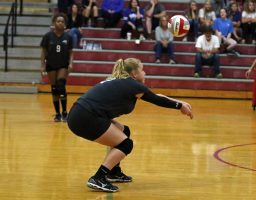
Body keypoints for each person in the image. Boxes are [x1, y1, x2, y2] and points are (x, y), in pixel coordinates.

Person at [67, 58, 193, 192]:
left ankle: (113, 172)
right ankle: (98, 177)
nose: (145, 73)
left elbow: (155, 96)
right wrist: (179, 106)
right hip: (86, 117)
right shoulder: (133, 85)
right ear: (134, 73)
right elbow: (157, 100)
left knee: (124, 131)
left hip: (80, 114)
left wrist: (180, 103)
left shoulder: (123, 83)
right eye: (142, 70)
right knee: (126, 144)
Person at [40, 13, 73, 122]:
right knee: (54, 89)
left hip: (63, 65)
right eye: (58, 21)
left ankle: (65, 112)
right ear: (54, 23)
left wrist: (71, 63)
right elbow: (44, 52)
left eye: (62, 21)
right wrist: (42, 66)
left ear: (65, 24)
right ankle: (57, 114)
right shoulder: (47, 36)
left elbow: (71, 52)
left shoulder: (68, 37)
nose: (60, 23)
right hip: (51, 65)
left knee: (61, 86)